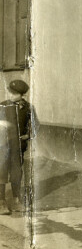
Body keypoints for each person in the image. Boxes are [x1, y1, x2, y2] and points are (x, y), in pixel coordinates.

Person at [0, 80, 34, 214]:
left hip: (18, 147)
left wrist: (28, 135)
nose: (11, 95)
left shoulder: (28, 108)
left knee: (16, 173)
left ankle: (16, 201)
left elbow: (35, 125)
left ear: (22, 95)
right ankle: (1, 202)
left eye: (15, 94)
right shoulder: (2, 106)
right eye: (10, 92)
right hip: (2, 145)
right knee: (1, 172)